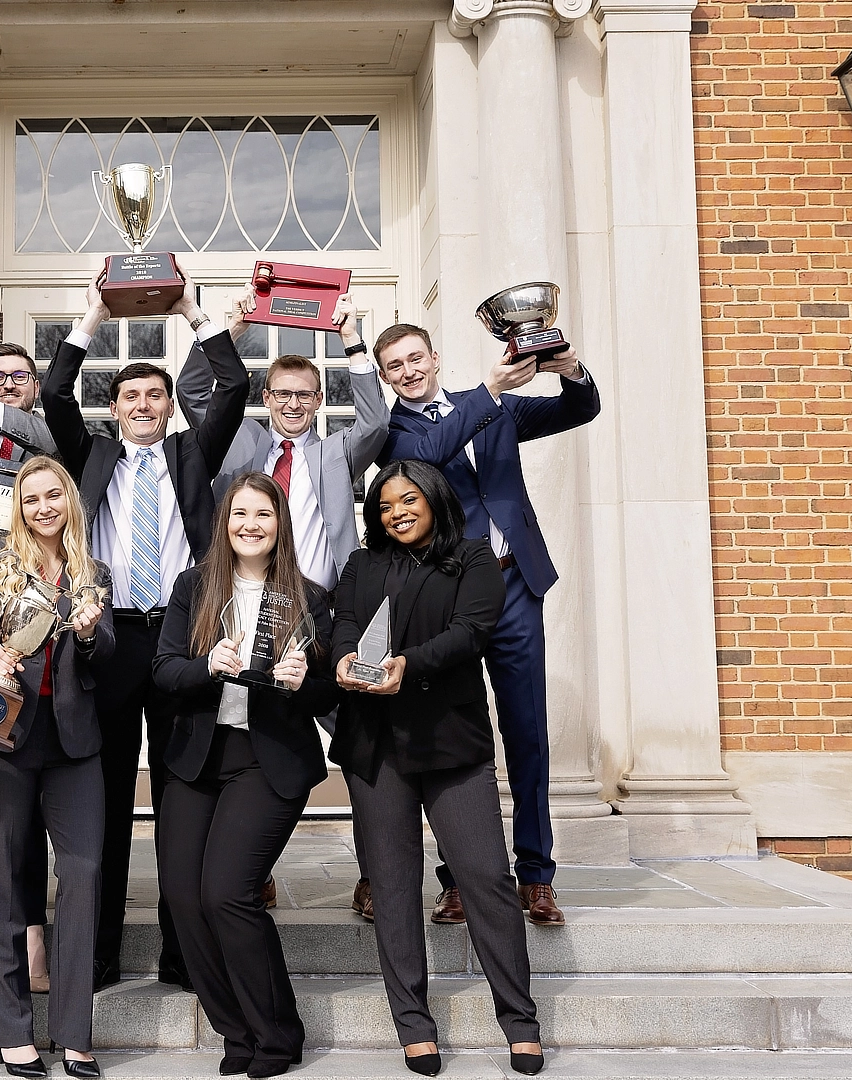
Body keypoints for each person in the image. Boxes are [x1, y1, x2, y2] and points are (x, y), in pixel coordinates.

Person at [41, 267, 250, 989]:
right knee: (100, 797)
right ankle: (96, 955)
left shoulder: (194, 453)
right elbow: (51, 395)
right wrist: (90, 317)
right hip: (108, 637)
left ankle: (181, 951)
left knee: (180, 792)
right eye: (130, 395)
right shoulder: (90, 456)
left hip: (181, 638)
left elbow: (235, 390)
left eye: (154, 395)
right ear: (115, 405)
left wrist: (193, 311)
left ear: (168, 405)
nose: (142, 404)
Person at [374, 323, 599, 928]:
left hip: (515, 583)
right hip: (448, 598)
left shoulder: (496, 408)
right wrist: (488, 389)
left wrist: (567, 365)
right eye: (395, 367)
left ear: (435, 355)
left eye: (416, 358)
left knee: (528, 731)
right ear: (386, 377)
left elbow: (582, 409)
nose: (409, 372)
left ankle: (536, 876)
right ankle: (458, 880)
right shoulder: (397, 434)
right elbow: (431, 453)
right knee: (451, 739)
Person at [330, 460, 542, 1078]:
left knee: (485, 879)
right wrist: (345, 660)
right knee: (393, 888)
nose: (397, 511)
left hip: (451, 745)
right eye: (386, 504)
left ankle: (520, 1022)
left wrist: (406, 665)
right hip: (375, 749)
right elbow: (344, 625)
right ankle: (414, 1027)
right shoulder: (363, 564)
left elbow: (472, 632)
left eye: (408, 499)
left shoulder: (474, 558)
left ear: (433, 499)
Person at [152, 474, 338, 1078]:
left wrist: (300, 681)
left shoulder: (309, 597)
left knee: (227, 892)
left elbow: (330, 690)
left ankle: (277, 1034)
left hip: (267, 760)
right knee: (184, 896)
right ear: (223, 522)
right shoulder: (192, 587)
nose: (250, 525)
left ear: (280, 524)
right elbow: (164, 671)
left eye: (263, 514)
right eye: (239, 513)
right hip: (196, 759)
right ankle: (235, 1030)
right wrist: (207, 667)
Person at [0, 456, 115, 1079]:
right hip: (4, 737)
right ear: (18, 508)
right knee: (0, 878)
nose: (43, 507)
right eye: (31, 499)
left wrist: (87, 632)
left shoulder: (90, 571)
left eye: (54, 496)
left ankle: (74, 1032)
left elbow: (106, 654)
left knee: (81, 879)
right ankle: (11, 1029)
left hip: (73, 743)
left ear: (69, 502)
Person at [176, 294, 388, 590]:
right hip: (238, 599)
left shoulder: (335, 453)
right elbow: (191, 391)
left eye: (304, 395)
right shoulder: (238, 438)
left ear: (318, 401)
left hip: (318, 607)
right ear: (266, 398)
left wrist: (351, 339)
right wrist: (233, 330)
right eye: (282, 394)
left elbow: (375, 423)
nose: (293, 404)